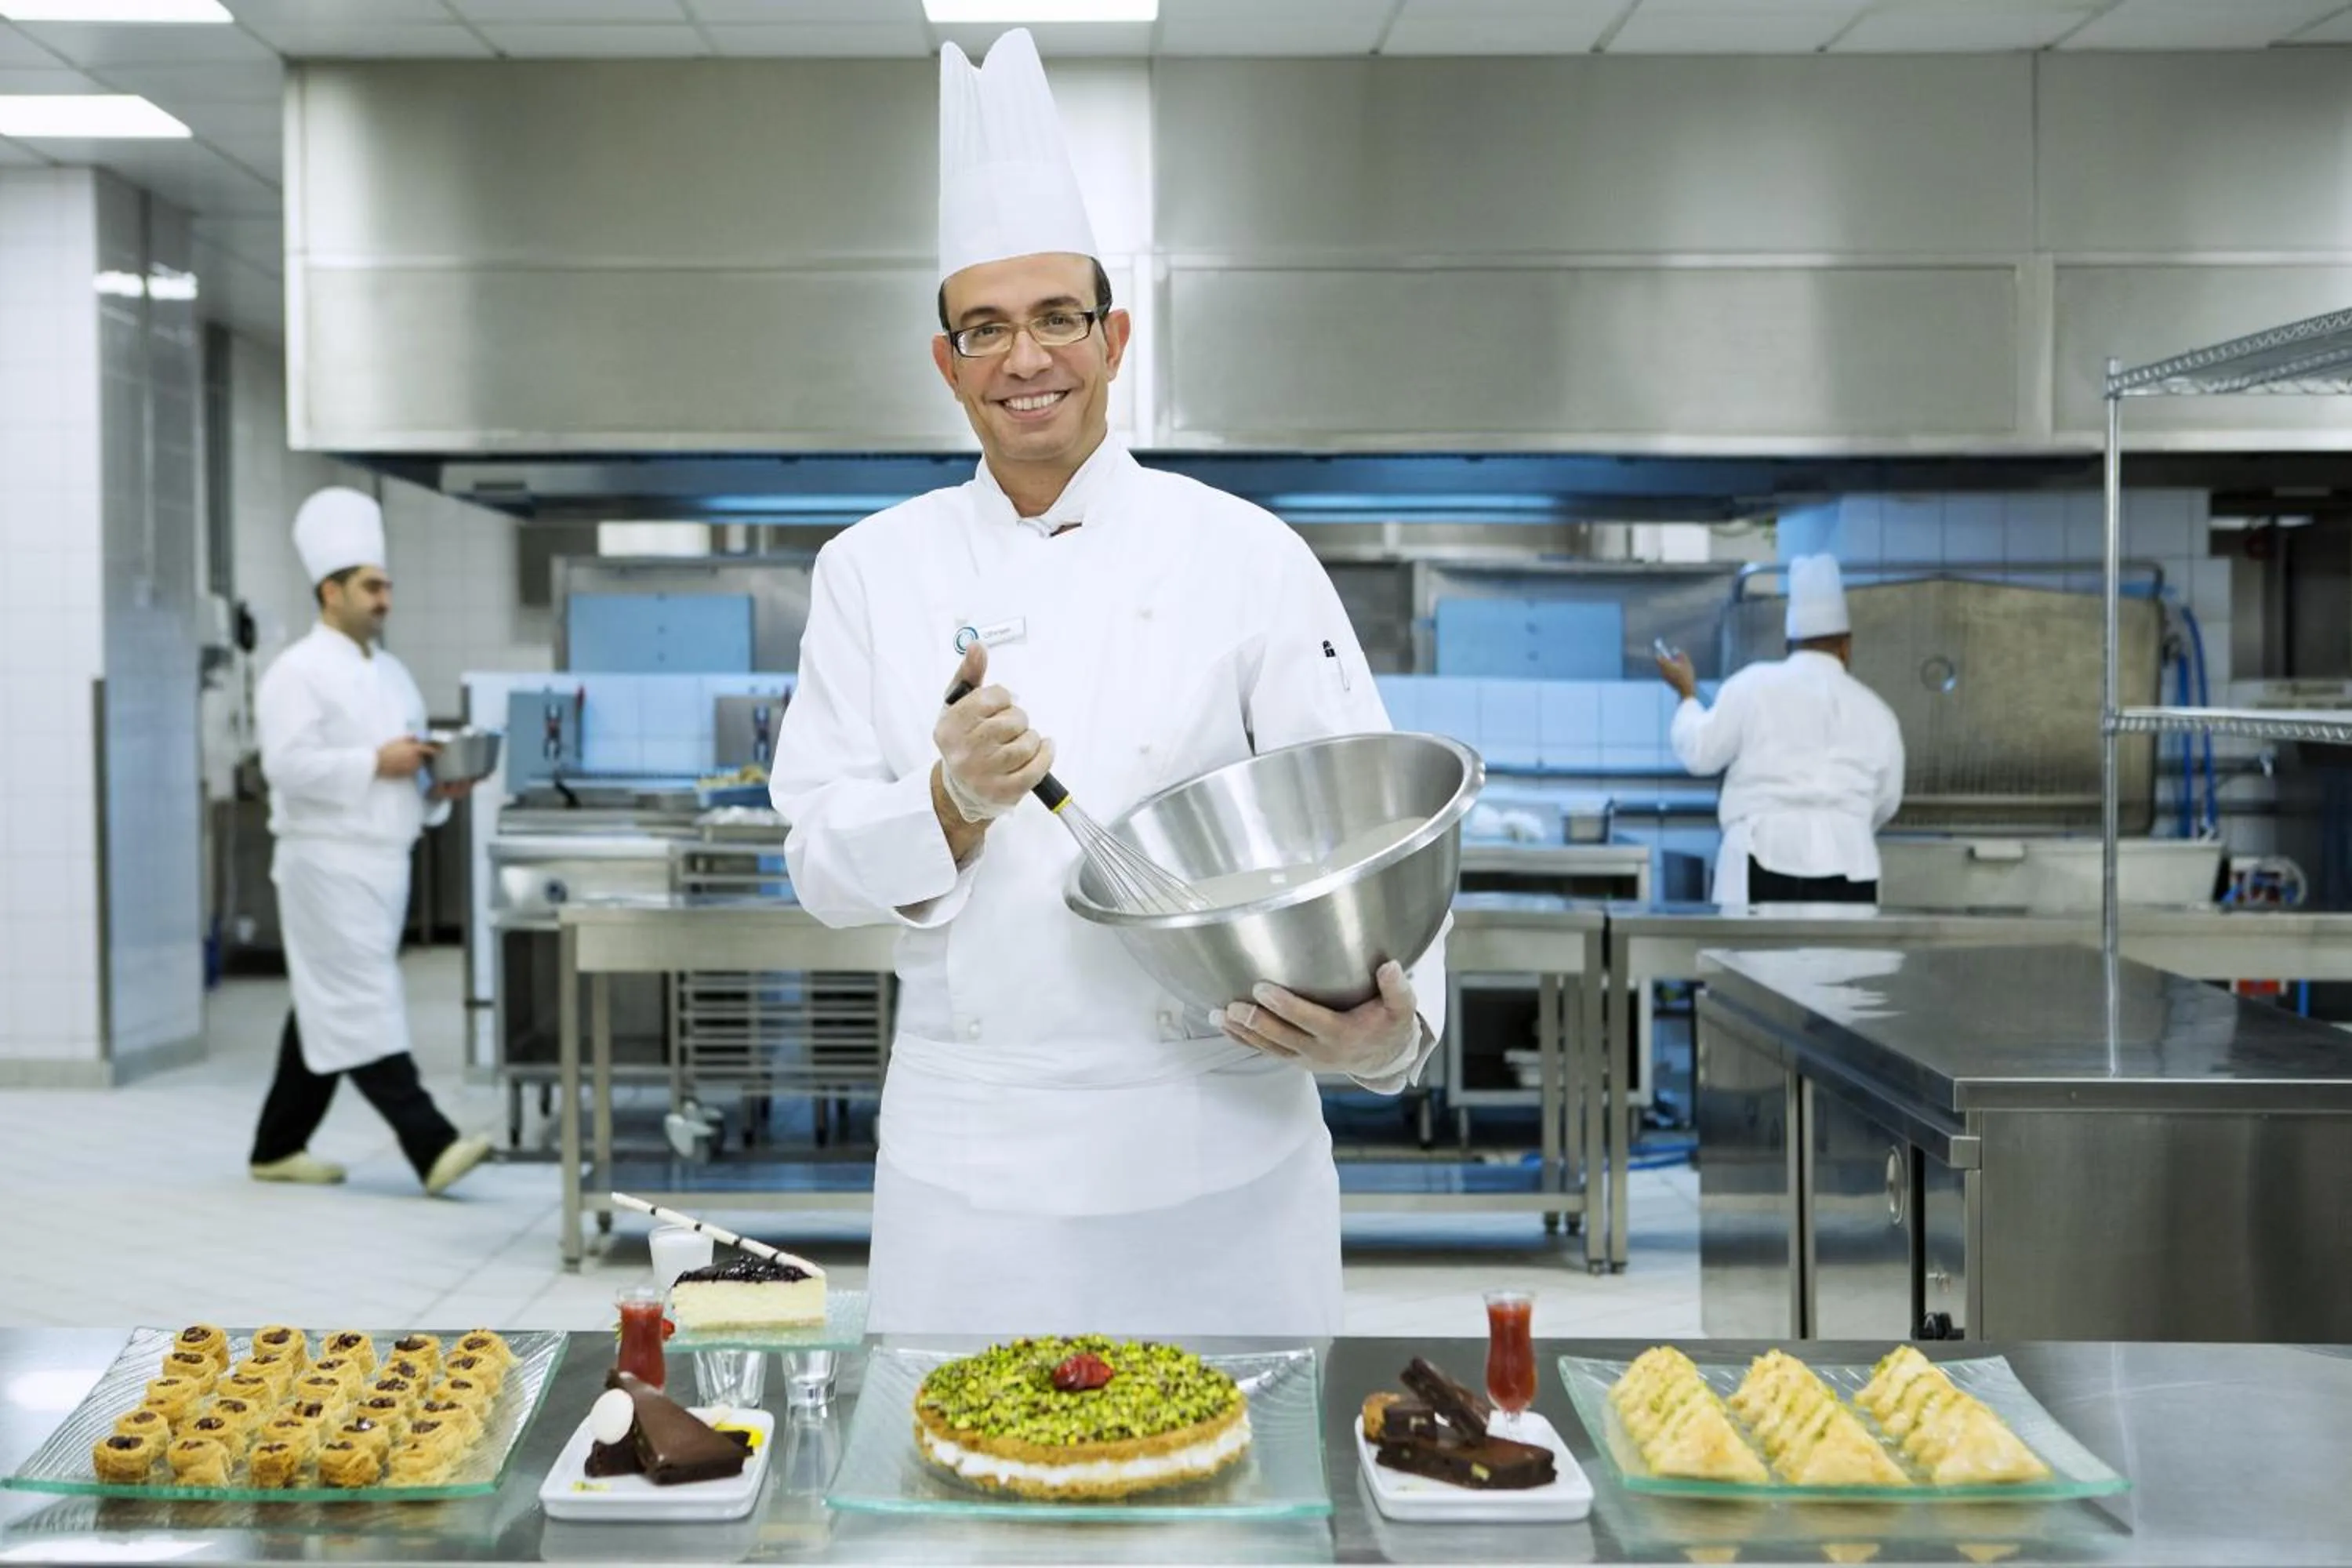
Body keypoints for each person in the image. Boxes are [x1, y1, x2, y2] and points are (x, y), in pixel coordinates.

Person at [768, 29, 1446, 1338]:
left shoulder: (1248, 555)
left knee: (1233, 1532)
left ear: (1113, 335)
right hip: (973, 1171)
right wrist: (951, 803)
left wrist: (1390, 1038)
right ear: (945, 360)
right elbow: (818, 869)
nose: (1027, 358)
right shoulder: (869, 571)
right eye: (987, 328)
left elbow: (1371, 834)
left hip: (1225, 1156)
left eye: (1057, 318)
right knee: (956, 1523)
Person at [247, 486, 493, 1196]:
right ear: (330, 590)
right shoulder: (296, 672)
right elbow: (285, 767)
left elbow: (405, 774)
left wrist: (437, 792)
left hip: (386, 863)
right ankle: (431, 1143)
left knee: (328, 1001)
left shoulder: (393, 674)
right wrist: (372, 763)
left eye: (386, 586)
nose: (385, 599)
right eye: (371, 586)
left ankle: (277, 1144)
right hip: (325, 863)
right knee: (360, 999)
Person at [1656, 554, 1905, 905]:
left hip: (1763, 854)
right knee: (1847, 960)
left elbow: (1700, 753)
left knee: (1757, 959)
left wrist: (1687, 695)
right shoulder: (1878, 713)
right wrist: (1841, 824)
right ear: (1846, 646)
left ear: (1788, 644)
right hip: (1852, 865)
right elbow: (1887, 801)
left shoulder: (1753, 685)